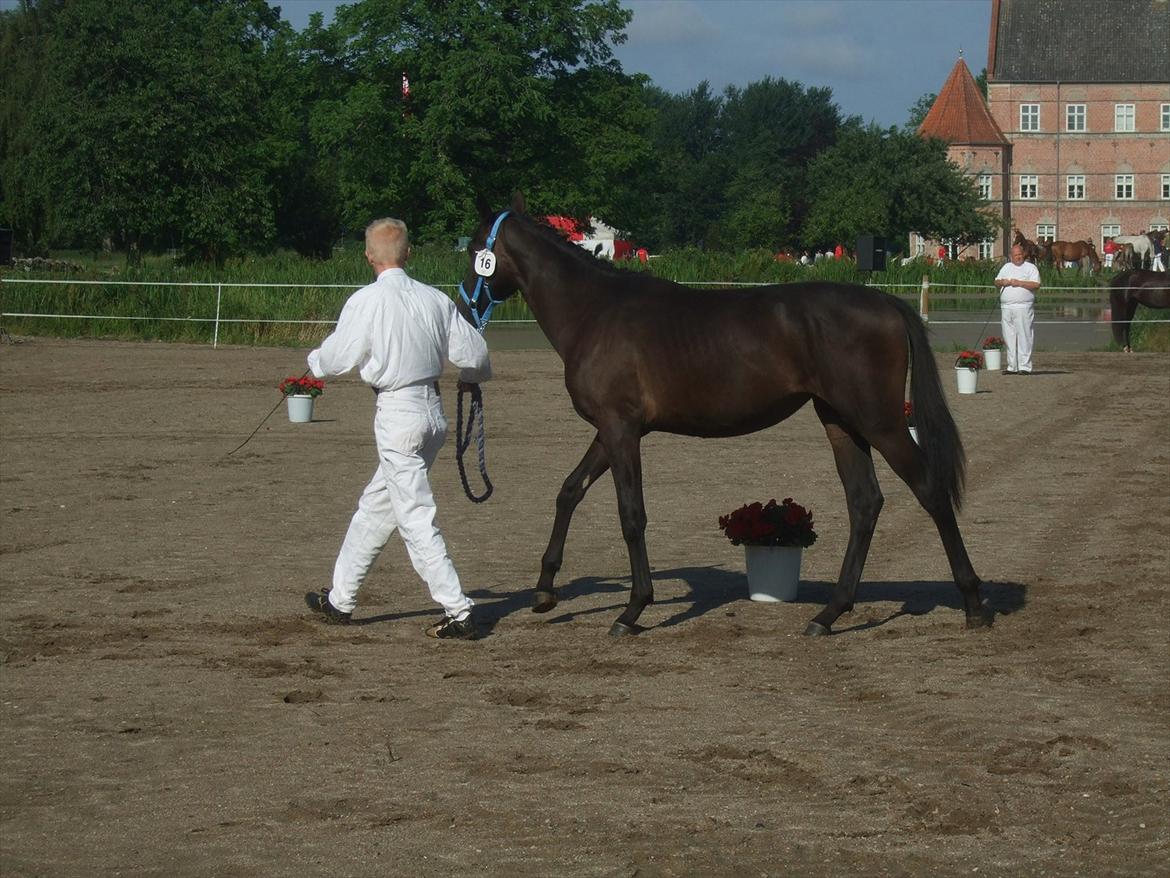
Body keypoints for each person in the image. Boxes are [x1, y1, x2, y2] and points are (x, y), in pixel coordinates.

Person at [303, 218, 492, 639]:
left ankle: (459, 610)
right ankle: (340, 599)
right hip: (432, 415)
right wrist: (472, 379)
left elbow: (336, 358)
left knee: (414, 518)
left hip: (397, 414)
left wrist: (312, 363)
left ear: (369, 256)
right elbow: (475, 353)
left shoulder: (365, 301)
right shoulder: (435, 300)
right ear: (409, 254)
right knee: (376, 507)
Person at [994, 244, 1041, 375]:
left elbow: (1036, 284)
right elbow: (996, 281)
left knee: (1024, 335)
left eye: (1020, 254)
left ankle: (1025, 366)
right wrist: (1002, 282)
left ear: (1023, 254)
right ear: (1011, 256)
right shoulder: (1006, 267)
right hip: (1006, 307)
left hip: (1023, 307)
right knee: (1009, 336)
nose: (1018, 257)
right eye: (1015, 255)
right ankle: (1012, 365)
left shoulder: (1030, 268)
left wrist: (1020, 283)